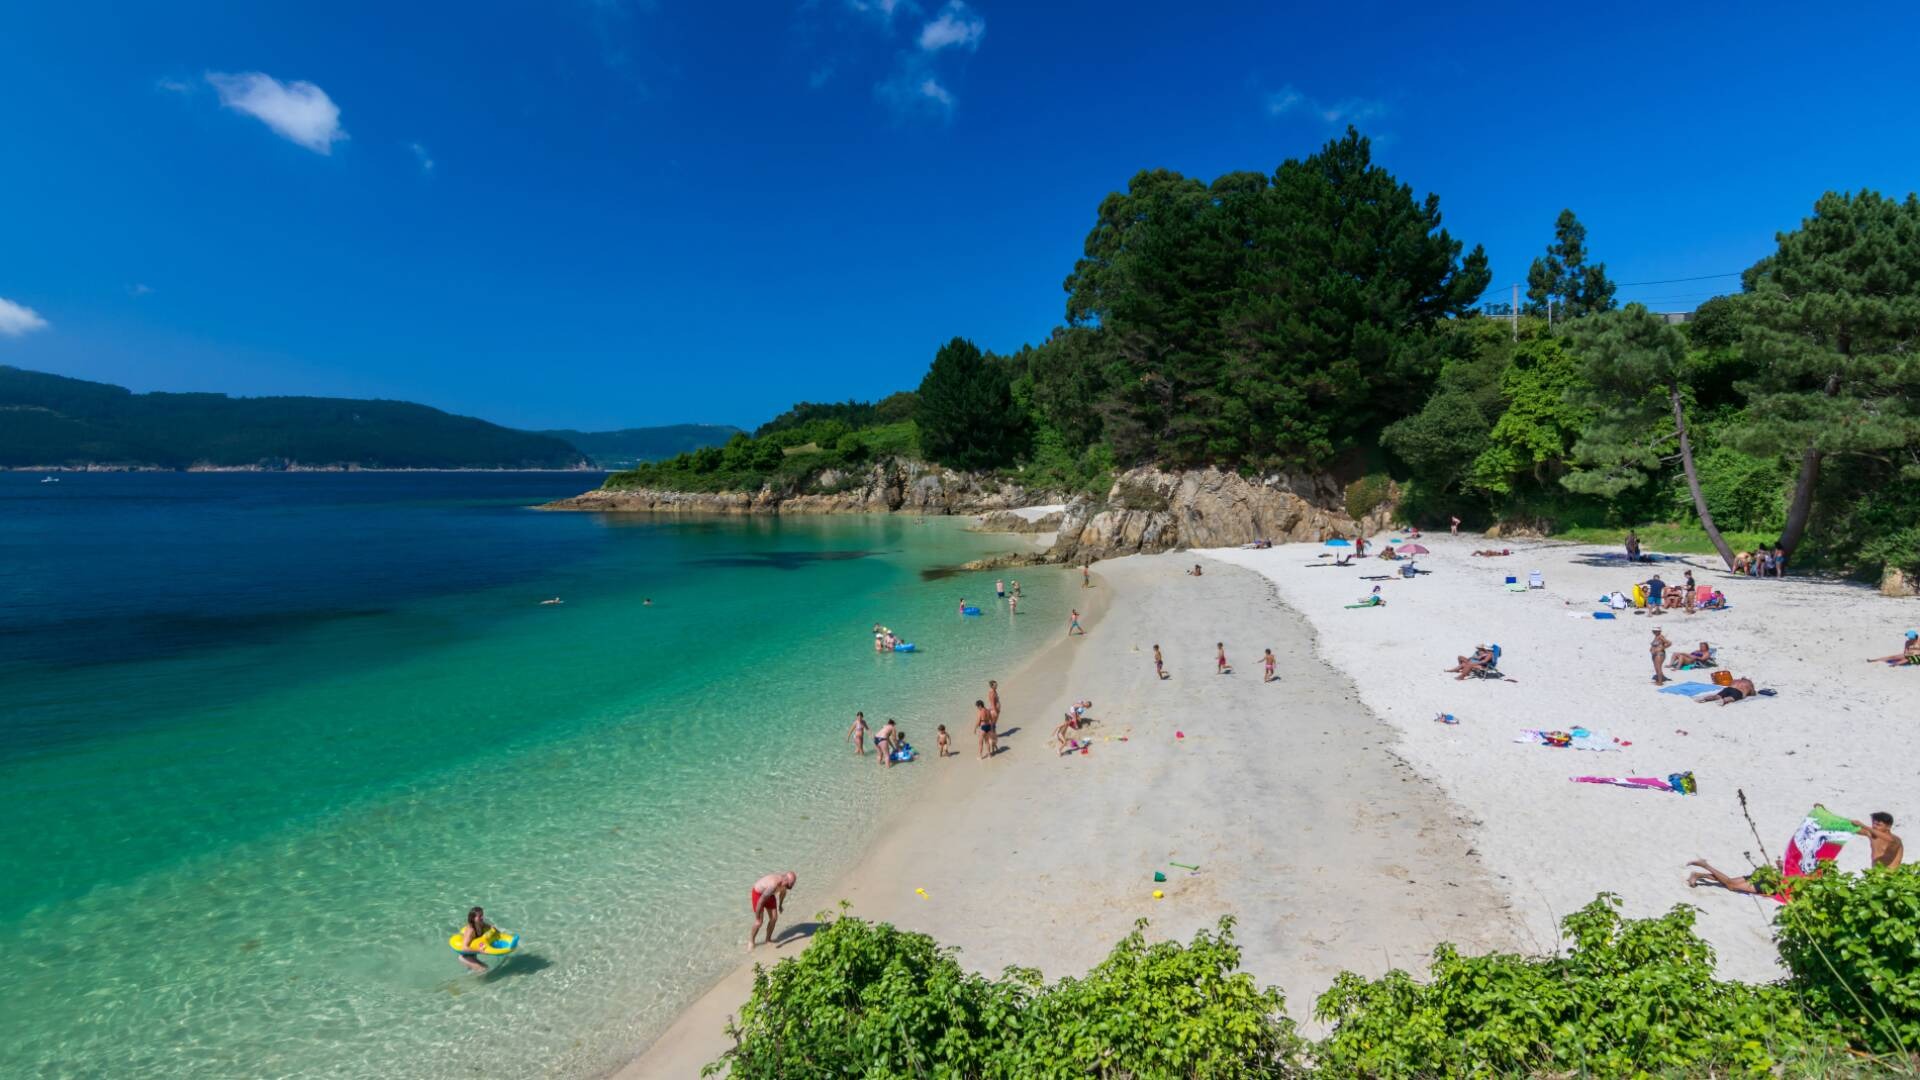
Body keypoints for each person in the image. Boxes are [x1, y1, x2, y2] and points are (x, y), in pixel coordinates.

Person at [748, 871, 797, 950]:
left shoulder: (784, 885)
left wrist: (780, 905)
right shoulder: (774, 885)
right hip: (758, 894)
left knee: (774, 918)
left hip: (769, 895)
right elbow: (761, 901)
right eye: (792, 883)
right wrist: (757, 917)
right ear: (786, 880)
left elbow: (782, 894)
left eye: (793, 883)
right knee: (759, 922)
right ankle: (751, 941)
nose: (792, 885)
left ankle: (768, 940)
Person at [452, 906, 496, 973]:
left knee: (478, 971)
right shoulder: (471, 930)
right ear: (473, 918)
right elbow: (464, 948)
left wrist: (496, 932)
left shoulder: (481, 924)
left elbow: (491, 927)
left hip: (472, 955)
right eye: (480, 916)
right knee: (484, 969)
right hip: (465, 957)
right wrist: (480, 950)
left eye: (482, 915)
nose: (482, 917)